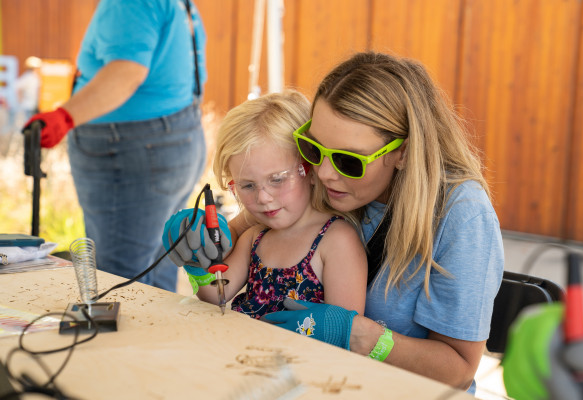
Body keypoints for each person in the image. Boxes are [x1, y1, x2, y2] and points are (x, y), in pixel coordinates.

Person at [164, 52, 504, 392]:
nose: (324, 173)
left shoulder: (462, 215)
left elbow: (458, 371)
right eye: (313, 149)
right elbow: (244, 226)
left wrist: (361, 337)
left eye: (347, 160)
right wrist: (201, 234)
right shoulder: (322, 185)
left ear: (403, 152)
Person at [22, 0, 208, 292]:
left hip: (132, 149)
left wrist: (65, 116)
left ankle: (130, 339)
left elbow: (126, 71)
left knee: (120, 281)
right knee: (153, 274)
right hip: (171, 137)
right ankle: (151, 337)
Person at [164, 91, 367, 332]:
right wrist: (195, 259)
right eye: (247, 185)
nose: (263, 198)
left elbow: (348, 331)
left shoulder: (337, 240)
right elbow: (217, 294)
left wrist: (328, 331)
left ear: (310, 168)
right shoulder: (255, 236)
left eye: (277, 179)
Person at [15, 56, 42, 122]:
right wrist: (20, 100)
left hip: (33, 104)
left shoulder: (35, 77)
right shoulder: (27, 77)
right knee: (28, 122)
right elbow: (18, 88)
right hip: (27, 105)